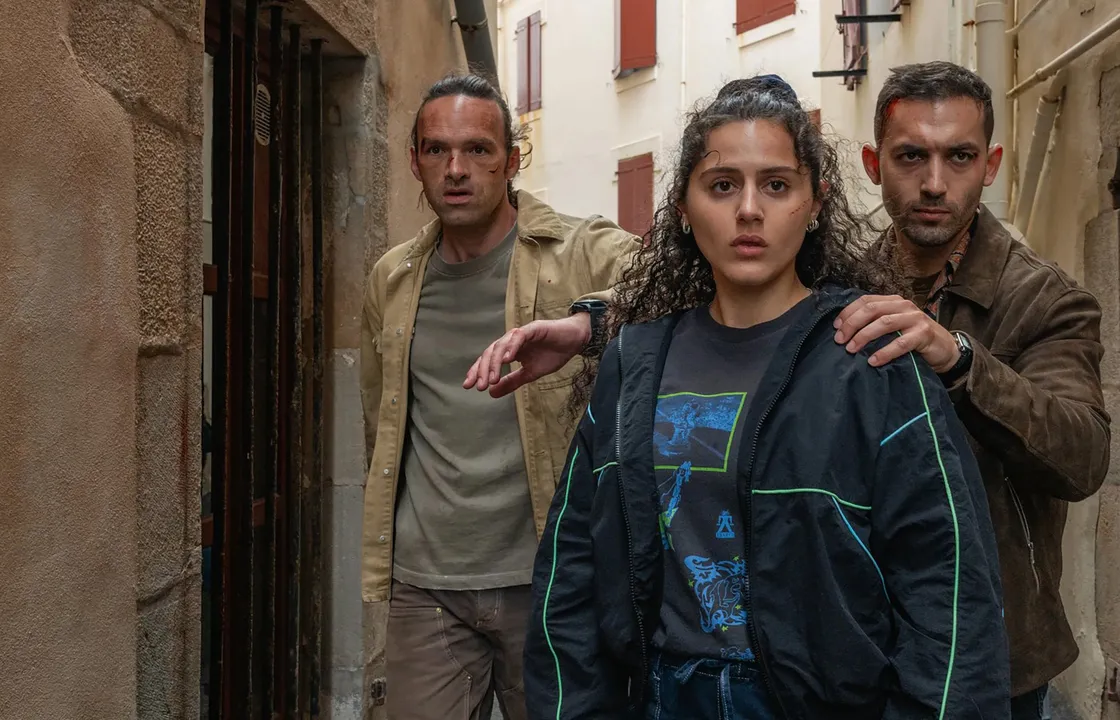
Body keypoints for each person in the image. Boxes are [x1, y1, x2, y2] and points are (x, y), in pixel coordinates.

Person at [523, 75, 1010, 719]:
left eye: (776, 185)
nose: (749, 210)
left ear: (815, 205)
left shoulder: (871, 357)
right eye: (723, 186)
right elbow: (572, 574)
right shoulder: (634, 361)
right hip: (661, 698)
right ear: (684, 207)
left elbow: (946, 586)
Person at [833, 61, 1111, 719]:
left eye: (959, 156)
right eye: (911, 156)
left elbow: (1082, 456)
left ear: (990, 165)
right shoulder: (838, 288)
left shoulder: (1046, 299)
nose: (935, 182)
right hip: (865, 643)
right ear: (874, 164)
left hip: (996, 654)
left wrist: (959, 360)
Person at [359, 71, 638, 720]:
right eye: (437, 150)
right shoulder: (392, 278)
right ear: (415, 162)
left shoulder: (578, 250)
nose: (456, 170)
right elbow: (382, 419)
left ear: (512, 161)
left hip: (551, 579)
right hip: (427, 587)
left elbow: (682, 284)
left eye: (478, 150)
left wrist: (586, 325)